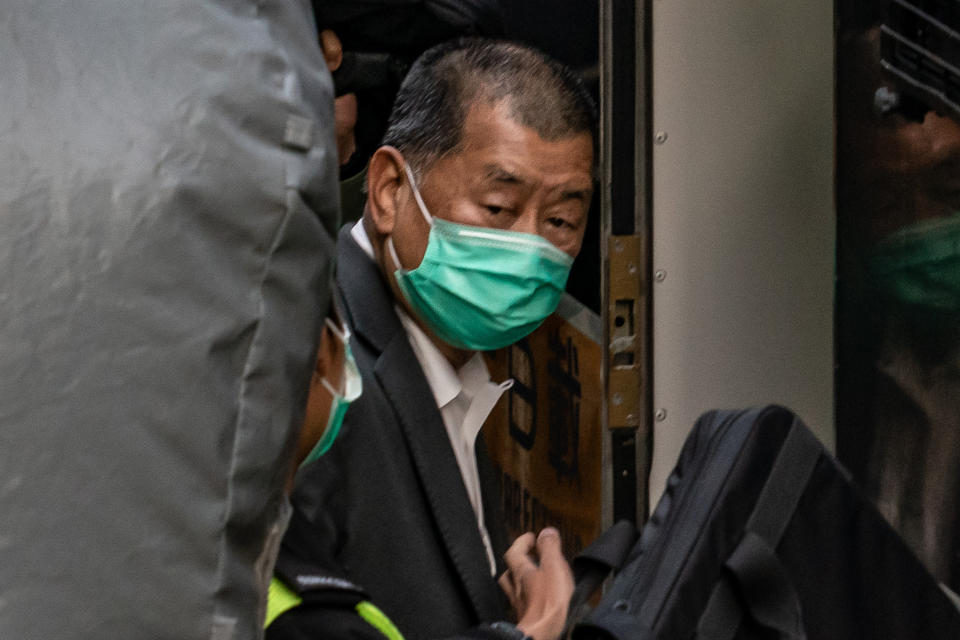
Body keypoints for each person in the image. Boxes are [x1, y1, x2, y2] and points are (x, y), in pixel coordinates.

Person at [267, 38, 597, 640]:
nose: (529, 249)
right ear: (391, 190)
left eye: (560, 222)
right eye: (499, 207)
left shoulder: (449, 361)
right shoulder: (313, 372)